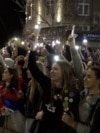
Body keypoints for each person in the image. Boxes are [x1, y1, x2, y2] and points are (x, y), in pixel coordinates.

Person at [28, 50, 80, 133]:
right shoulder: (48, 84)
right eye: (51, 69)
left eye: (55, 69)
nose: (51, 71)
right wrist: (32, 49)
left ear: (64, 72)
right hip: (42, 129)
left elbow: (63, 116)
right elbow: (33, 69)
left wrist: (44, 115)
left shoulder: (70, 93)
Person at [62, 66, 100, 133]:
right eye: (85, 76)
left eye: (89, 77)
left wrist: (73, 123)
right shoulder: (81, 94)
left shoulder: (98, 103)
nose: (84, 79)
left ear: (98, 80)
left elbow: (93, 130)